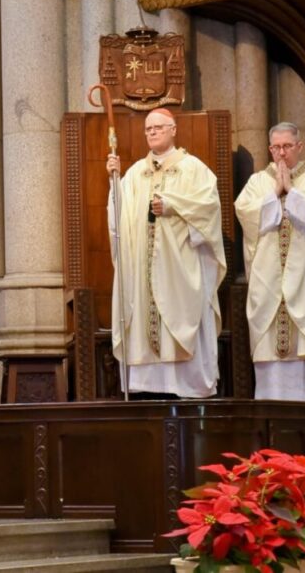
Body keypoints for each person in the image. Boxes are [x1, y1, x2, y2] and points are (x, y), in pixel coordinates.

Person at [106, 108, 226, 398]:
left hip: (180, 271)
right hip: (143, 274)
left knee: (182, 318)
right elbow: (118, 221)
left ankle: (186, 386)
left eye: (159, 127)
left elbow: (209, 210)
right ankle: (148, 389)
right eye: (148, 129)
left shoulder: (194, 169)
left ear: (174, 129)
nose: (153, 132)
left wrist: (172, 205)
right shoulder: (134, 173)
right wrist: (115, 182)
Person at [234, 122, 305, 401]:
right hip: (268, 289)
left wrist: (292, 191)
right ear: (269, 149)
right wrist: (274, 194)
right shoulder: (257, 183)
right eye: (276, 147)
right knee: (272, 381)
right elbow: (245, 214)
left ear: (299, 147)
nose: (281, 153)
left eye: (287, 146)